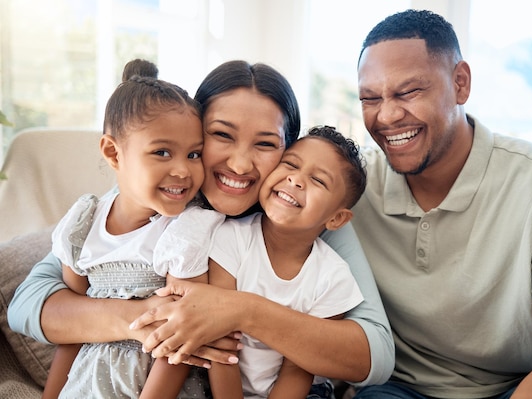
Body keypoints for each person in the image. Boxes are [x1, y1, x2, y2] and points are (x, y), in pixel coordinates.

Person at [8, 60, 395, 396]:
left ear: (287, 151)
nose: (240, 165)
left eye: (265, 144)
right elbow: (28, 304)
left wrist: (239, 310)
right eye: (222, 135)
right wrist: (149, 319)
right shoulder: (152, 200)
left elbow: (374, 354)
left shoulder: (306, 220)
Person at [346, 9, 532, 399]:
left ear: (460, 83)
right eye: (370, 98)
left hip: (517, 387)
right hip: (395, 389)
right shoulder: (349, 188)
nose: (386, 115)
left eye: (408, 92)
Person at [42, 73, 223, 399]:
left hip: (155, 386)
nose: (183, 170)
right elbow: (71, 332)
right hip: (88, 383)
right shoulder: (82, 225)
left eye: (194, 154)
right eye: (163, 153)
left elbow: (179, 340)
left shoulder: (185, 230)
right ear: (113, 153)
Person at [208, 125, 367, 398]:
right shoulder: (230, 238)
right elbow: (219, 340)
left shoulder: (333, 278)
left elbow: (299, 367)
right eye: (290, 164)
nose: (296, 180)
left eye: (318, 180)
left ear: (336, 219)